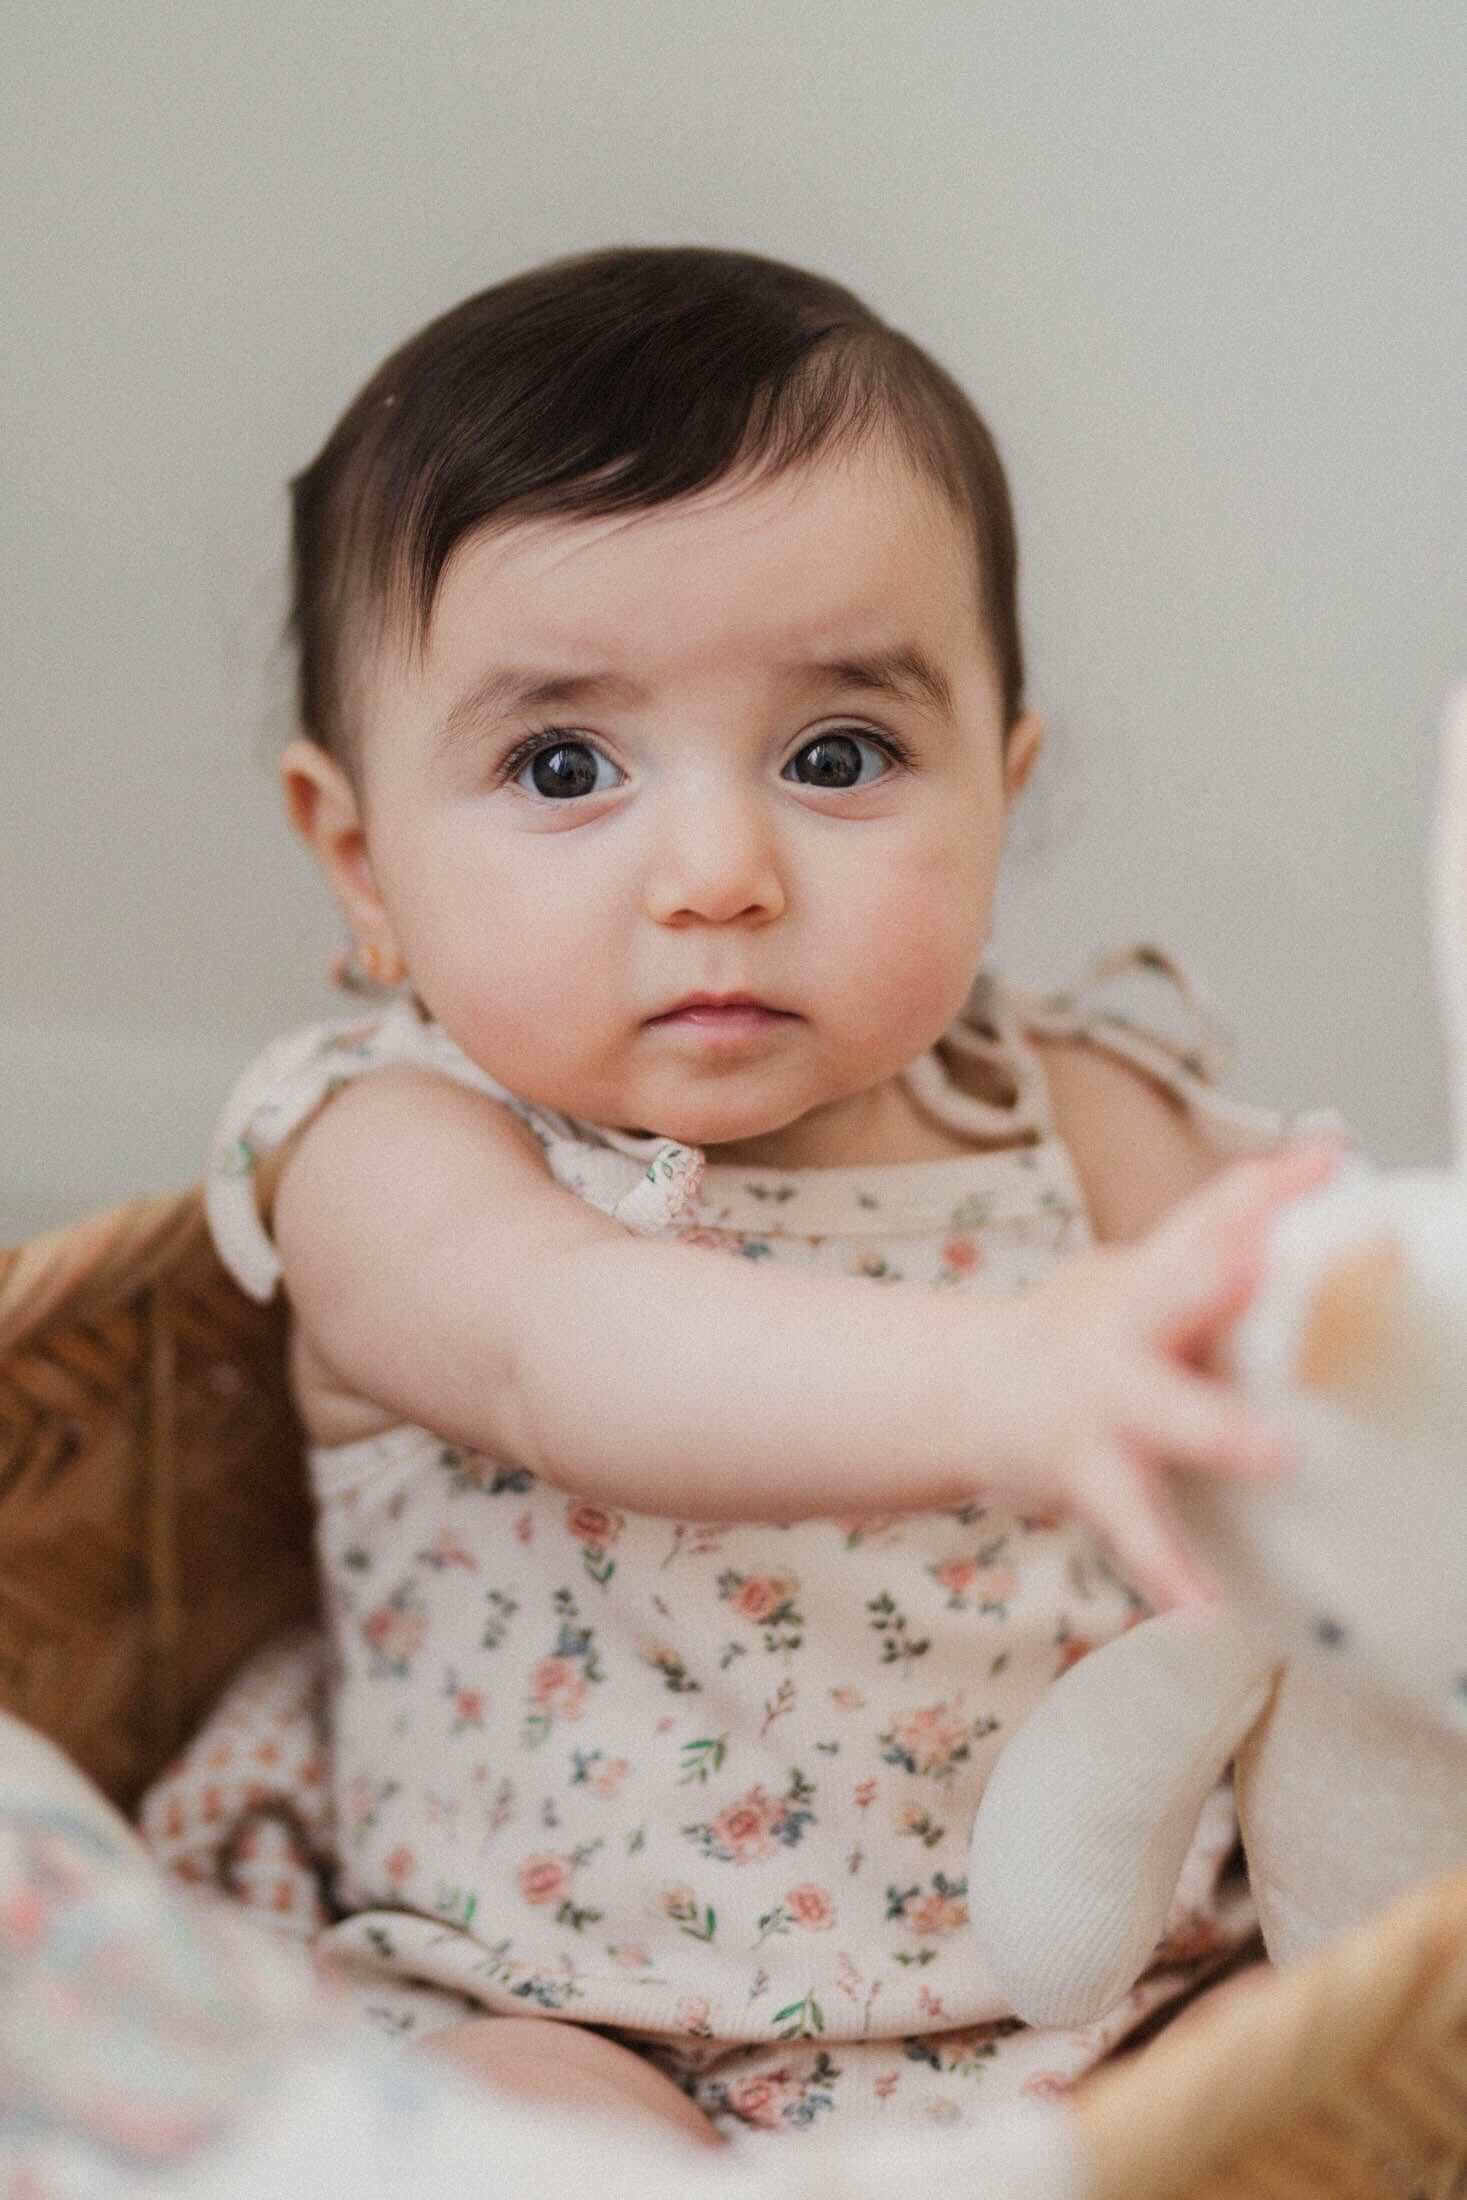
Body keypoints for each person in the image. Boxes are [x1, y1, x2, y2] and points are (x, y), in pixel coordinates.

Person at [201, 245, 1344, 2154]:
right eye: (565, 764)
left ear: (999, 783)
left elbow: (1321, 1337)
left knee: (1325, 2078)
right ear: (360, 856)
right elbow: (571, 1349)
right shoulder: (386, 1150)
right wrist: (1009, 1383)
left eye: (841, 755)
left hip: (1117, 1990)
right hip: (572, 2020)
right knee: (496, 2150)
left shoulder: (1067, 1110)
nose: (719, 867)